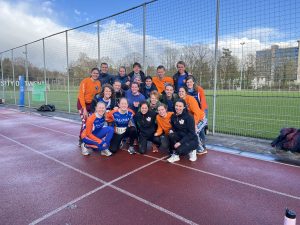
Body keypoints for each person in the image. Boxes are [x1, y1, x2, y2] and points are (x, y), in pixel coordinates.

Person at [178, 86, 207, 154]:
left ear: (186, 92)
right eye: (179, 91)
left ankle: (202, 149)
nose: (181, 93)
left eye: (182, 91)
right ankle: (197, 146)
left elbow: (196, 113)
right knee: (196, 132)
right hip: (192, 119)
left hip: (200, 118)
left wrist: (194, 124)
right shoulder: (180, 100)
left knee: (194, 132)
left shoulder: (190, 99)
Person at [77, 68, 101, 146]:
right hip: (82, 103)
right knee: (85, 121)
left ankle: (89, 138)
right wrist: (84, 109)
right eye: (94, 73)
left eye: (97, 73)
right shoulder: (85, 81)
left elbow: (97, 96)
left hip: (91, 105)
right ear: (91, 73)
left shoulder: (98, 83)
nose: (95, 74)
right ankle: (81, 139)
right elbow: (81, 96)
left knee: (90, 122)